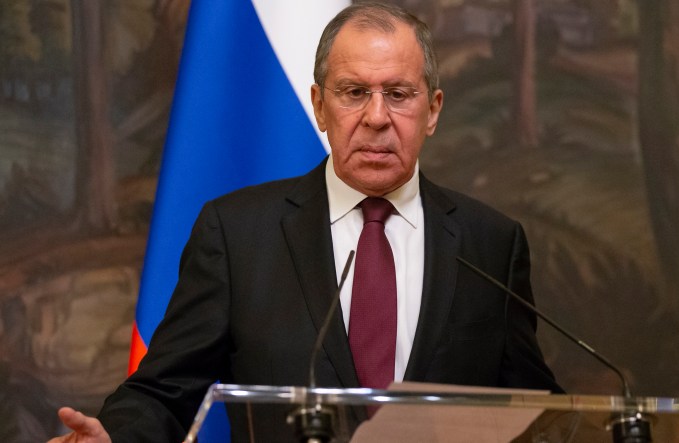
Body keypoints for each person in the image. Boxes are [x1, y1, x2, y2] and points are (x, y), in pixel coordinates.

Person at [48, 3, 564, 442]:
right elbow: (165, 391)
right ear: (319, 106)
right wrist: (113, 436)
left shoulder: (490, 244)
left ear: (432, 110)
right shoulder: (237, 234)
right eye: (354, 92)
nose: (377, 117)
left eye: (398, 94)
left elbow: (538, 409)